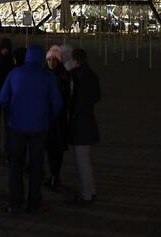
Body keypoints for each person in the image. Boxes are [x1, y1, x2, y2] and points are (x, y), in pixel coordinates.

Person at [0, 44, 63, 215]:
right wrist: (48, 117)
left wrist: (12, 111)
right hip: (39, 128)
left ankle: (15, 203)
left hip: (17, 126)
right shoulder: (47, 77)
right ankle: (34, 203)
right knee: (36, 167)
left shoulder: (15, 74)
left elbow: (2, 98)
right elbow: (57, 104)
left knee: (15, 166)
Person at [67, 48, 101, 205]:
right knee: (85, 159)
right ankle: (91, 191)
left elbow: (73, 99)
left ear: (75, 60)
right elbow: (97, 96)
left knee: (82, 161)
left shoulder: (75, 76)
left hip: (79, 123)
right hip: (89, 120)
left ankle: (87, 194)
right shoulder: (92, 75)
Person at [45, 46, 71, 191]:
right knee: (51, 148)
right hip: (52, 118)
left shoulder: (62, 75)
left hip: (58, 118)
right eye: (49, 59)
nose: (51, 62)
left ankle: (55, 175)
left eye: (53, 60)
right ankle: (54, 175)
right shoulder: (50, 73)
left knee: (56, 148)